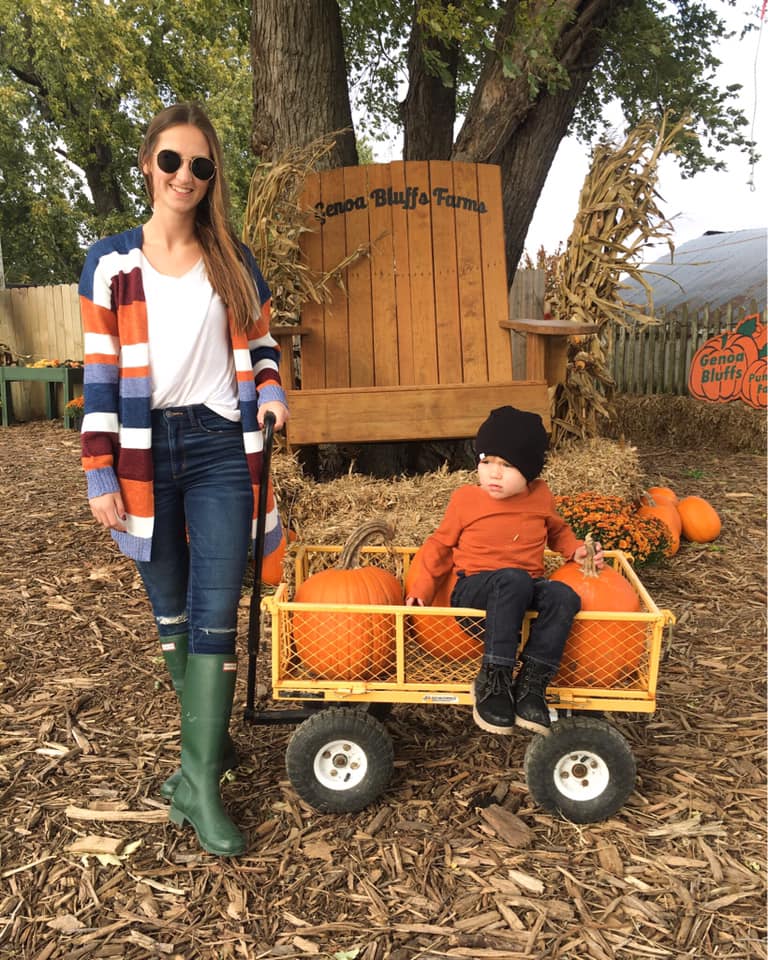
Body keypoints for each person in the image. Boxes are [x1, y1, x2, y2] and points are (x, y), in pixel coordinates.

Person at [78, 102, 288, 858]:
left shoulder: (233, 258)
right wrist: (97, 468)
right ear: (148, 165)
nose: (186, 177)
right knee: (169, 610)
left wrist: (269, 388)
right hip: (140, 449)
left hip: (218, 447)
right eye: (172, 161)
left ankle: (197, 785)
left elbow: (262, 343)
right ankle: (206, 757)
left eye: (201, 165)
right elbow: (99, 376)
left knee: (215, 610)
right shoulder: (110, 264)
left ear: (212, 176)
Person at [406, 406, 602, 737]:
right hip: (473, 594)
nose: (494, 473)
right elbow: (438, 547)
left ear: (529, 470)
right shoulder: (466, 499)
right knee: (513, 578)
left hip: (522, 590)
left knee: (563, 595)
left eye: (507, 465)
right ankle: (494, 679)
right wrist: (421, 590)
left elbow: (557, 532)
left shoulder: (540, 497)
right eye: (486, 461)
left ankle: (531, 685)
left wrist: (576, 550)